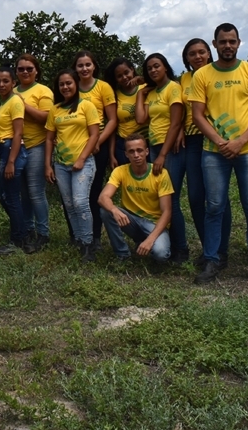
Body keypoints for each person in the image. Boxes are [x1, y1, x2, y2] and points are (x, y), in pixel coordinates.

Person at [190, 23, 248, 286]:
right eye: (222, 42)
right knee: (214, 206)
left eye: (232, 41)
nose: (227, 46)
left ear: (239, 43)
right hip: (213, 153)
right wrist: (219, 141)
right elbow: (197, 114)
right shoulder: (202, 75)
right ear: (214, 44)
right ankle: (212, 259)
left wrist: (239, 141)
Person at [180, 39, 230, 267]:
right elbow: (181, 108)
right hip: (192, 140)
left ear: (209, 53)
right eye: (192, 54)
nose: (198, 56)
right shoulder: (184, 79)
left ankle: (222, 249)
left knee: (217, 197)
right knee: (196, 196)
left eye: (201, 52)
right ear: (187, 58)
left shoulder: (218, 74)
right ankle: (207, 246)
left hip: (214, 138)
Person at [134, 53, 188, 263]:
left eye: (157, 66)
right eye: (149, 68)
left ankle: (181, 249)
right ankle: (171, 244)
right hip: (154, 147)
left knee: (170, 200)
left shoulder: (173, 88)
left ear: (165, 67)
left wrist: (163, 154)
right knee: (160, 198)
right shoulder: (152, 92)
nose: (153, 70)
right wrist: (140, 94)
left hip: (170, 148)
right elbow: (141, 118)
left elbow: (175, 123)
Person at [45, 69, 101, 261]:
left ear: (76, 84)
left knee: (80, 202)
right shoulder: (55, 109)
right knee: (69, 204)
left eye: (69, 83)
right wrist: (48, 165)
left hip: (83, 163)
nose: (65, 87)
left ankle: (88, 243)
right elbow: (49, 138)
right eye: (62, 84)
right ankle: (78, 239)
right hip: (60, 164)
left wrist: (81, 159)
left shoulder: (86, 106)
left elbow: (94, 134)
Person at [97, 133, 172, 262]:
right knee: (106, 210)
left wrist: (150, 240)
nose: (136, 155)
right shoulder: (120, 171)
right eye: (131, 151)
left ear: (147, 151)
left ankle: (146, 241)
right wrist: (114, 210)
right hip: (131, 220)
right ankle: (122, 254)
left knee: (161, 255)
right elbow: (103, 197)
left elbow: (167, 212)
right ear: (126, 154)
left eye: (140, 150)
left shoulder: (160, 173)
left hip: (153, 223)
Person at [74, 50, 118, 246]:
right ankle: (78, 235)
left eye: (87, 65)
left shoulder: (103, 87)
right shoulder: (72, 87)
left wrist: (98, 142)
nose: (84, 68)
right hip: (74, 147)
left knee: (93, 192)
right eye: (80, 65)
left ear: (94, 66)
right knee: (76, 195)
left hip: (97, 147)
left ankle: (96, 236)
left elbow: (112, 119)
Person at [14, 54, 54, 250]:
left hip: (36, 145)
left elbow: (46, 118)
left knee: (36, 192)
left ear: (36, 70)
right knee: (23, 193)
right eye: (21, 69)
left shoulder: (42, 91)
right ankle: (28, 229)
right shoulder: (12, 91)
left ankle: (43, 233)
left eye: (29, 68)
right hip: (17, 148)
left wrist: (23, 104)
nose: (25, 72)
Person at [0, 66, 31, 254]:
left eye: (6, 81)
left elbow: (18, 133)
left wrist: (11, 162)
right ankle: (23, 233)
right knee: (6, 197)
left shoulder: (15, 101)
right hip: (4, 151)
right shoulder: (3, 102)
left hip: (11, 152)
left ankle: (18, 240)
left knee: (12, 198)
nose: (1, 84)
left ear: (13, 83)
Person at [105, 58, 145, 168]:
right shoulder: (115, 95)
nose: (124, 77)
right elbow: (113, 126)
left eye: (126, 72)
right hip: (123, 146)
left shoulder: (145, 88)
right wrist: (112, 154)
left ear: (132, 70)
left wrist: (143, 79)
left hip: (146, 143)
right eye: (119, 76)